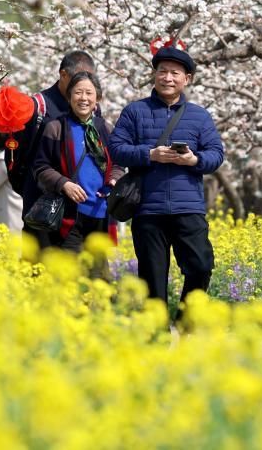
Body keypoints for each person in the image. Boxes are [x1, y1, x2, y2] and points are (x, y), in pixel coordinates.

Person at [108, 46, 225, 319]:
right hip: (148, 209)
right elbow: (116, 148)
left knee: (201, 267)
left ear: (187, 79)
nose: (168, 78)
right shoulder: (134, 111)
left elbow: (216, 154)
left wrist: (194, 160)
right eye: (162, 71)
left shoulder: (199, 115)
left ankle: (185, 324)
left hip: (188, 207)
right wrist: (150, 154)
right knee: (153, 281)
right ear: (155, 75)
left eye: (175, 73)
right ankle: (157, 337)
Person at [32, 72, 121, 278]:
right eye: (78, 92)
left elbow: (117, 164)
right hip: (69, 217)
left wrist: (113, 180)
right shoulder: (56, 127)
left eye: (89, 93)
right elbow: (40, 167)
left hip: (100, 215)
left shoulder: (105, 129)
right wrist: (64, 184)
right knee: (70, 278)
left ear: (97, 97)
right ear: (69, 96)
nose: (83, 98)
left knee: (98, 280)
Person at [6, 51, 99, 237]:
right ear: (63, 75)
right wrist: (30, 188)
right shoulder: (37, 107)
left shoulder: (92, 107)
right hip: (42, 204)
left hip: (82, 207)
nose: (83, 87)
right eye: (77, 79)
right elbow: (13, 158)